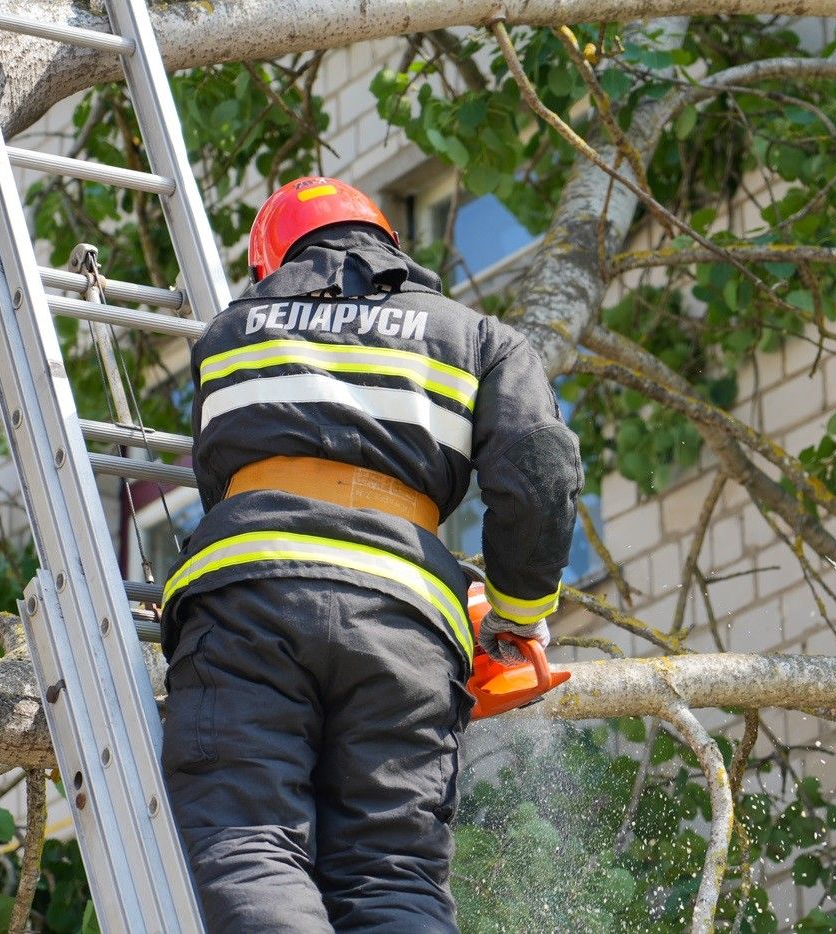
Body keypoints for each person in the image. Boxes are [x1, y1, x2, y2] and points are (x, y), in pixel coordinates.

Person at [158, 176, 582, 932]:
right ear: (389, 243)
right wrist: (517, 611)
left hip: (252, 602)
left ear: (273, 263)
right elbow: (540, 472)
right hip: (403, 623)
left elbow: (223, 484)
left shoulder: (228, 334)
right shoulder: (477, 338)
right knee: (392, 872)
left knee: (250, 838)